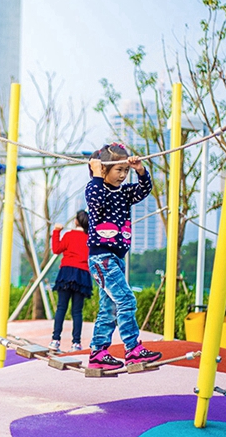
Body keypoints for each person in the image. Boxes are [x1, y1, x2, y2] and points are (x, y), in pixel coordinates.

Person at [86, 143, 162, 370]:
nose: (122, 175)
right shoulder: (95, 188)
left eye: (125, 170)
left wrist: (140, 170)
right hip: (101, 257)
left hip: (116, 258)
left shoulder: (125, 192)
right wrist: (97, 174)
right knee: (126, 300)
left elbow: (144, 190)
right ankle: (132, 348)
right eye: (118, 170)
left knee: (109, 307)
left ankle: (98, 353)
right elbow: (96, 203)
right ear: (104, 169)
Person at [49, 210, 92, 352]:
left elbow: (56, 249)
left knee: (61, 307)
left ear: (76, 221)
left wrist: (56, 231)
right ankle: (76, 344)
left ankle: (55, 340)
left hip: (66, 273)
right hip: (82, 275)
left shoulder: (69, 235)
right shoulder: (89, 238)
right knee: (77, 311)